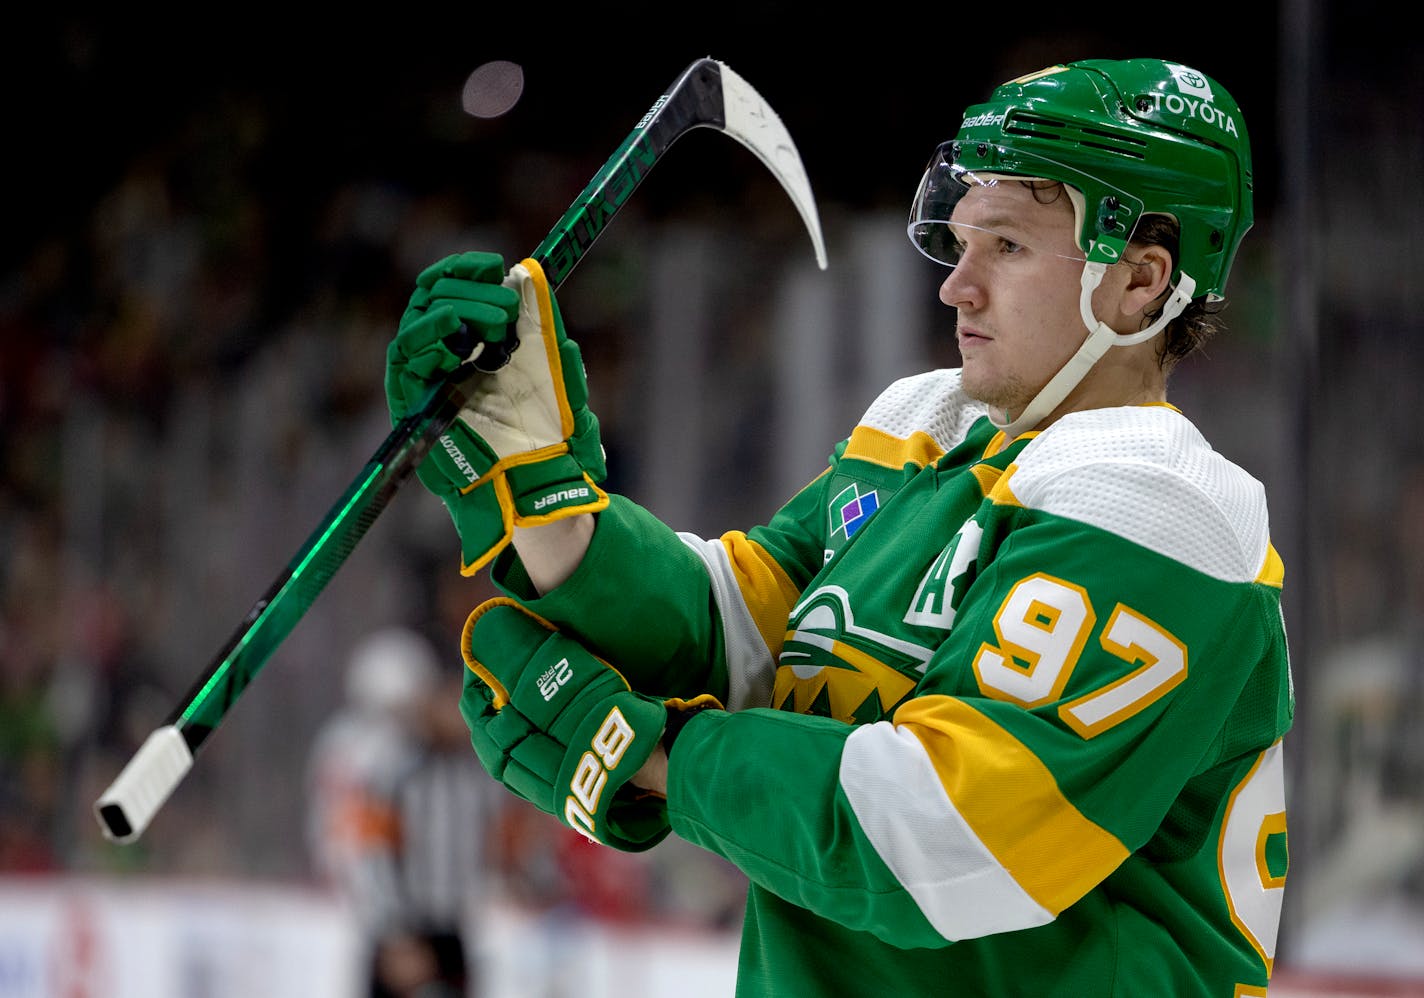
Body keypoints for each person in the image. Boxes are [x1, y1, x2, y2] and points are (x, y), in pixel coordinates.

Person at [383, 57, 1293, 996]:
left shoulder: (1160, 508)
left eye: (1009, 248)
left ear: (1141, 281)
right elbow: (745, 635)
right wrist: (541, 496)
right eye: (963, 239)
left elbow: (946, 838)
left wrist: (652, 756)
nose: (957, 286)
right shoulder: (923, 429)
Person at [306, 627, 499, 997]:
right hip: (402, 926)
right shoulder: (389, 768)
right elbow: (366, 848)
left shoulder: (466, 768)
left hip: (451, 926)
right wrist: (394, 931)